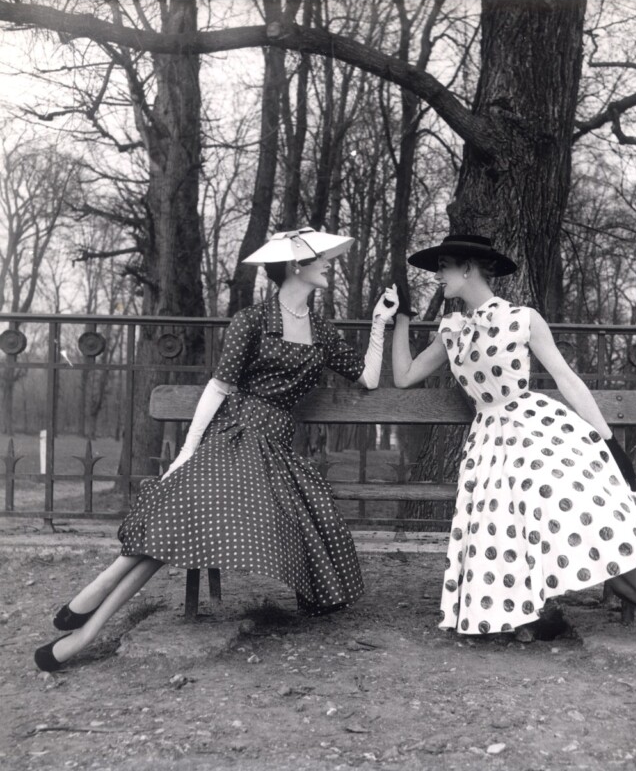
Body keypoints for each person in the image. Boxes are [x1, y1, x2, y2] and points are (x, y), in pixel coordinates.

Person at [35, 227, 399, 672]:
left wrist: (380, 323)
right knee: (177, 519)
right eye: (320, 258)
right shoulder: (252, 320)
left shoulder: (321, 330)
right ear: (296, 265)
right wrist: (188, 452)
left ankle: (91, 607)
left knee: (175, 525)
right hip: (233, 437)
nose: (328, 264)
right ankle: (87, 627)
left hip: (274, 455)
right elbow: (219, 386)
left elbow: (367, 378)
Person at [391, 233, 636, 664]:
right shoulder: (451, 328)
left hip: (536, 429)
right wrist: (399, 321)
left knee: (591, 499)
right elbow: (405, 376)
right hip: (490, 444)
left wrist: (607, 439)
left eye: (444, 267)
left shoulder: (523, 319)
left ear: (468, 268)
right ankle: (602, 590)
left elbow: (566, 379)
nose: (438, 277)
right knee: (506, 523)